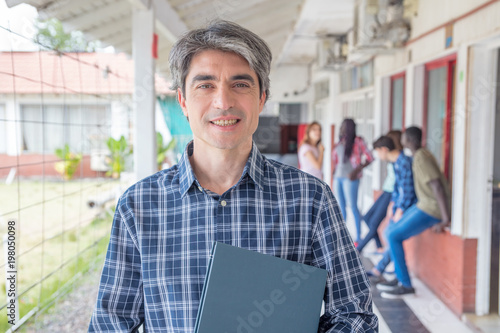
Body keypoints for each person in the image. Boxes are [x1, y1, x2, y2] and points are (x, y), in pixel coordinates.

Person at [88, 20, 378, 332]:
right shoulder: (139, 205)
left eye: (240, 84)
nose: (223, 102)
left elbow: (355, 315)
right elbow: (111, 324)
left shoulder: (310, 199)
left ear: (261, 98)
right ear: (183, 101)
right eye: (205, 85)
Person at [377, 126, 451, 298]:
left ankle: (405, 284)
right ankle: (399, 276)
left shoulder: (421, 158)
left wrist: (445, 218)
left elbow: (437, 186)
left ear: (408, 139)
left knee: (393, 235)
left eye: (403, 137)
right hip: (423, 205)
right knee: (391, 231)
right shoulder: (418, 156)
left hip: (430, 208)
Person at [364, 135, 417, 281]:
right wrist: (392, 206)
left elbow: (408, 191)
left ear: (384, 150)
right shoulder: (395, 163)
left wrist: (400, 210)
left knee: (391, 235)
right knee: (391, 235)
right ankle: (380, 270)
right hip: (398, 206)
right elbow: (397, 189)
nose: (377, 155)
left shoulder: (404, 162)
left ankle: (396, 276)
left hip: (408, 207)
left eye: (377, 152)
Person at [356, 130, 403, 254]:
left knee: (374, 223)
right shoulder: (393, 160)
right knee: (367, 218)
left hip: (391, 193)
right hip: (386, 190)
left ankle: (357, 249)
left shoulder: (399, 160)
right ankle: (379, 246)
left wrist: (394, 202)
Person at [332, 118, 374, 243]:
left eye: (343, 126)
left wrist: (356, 171)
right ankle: (342, 237)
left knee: (353, 207)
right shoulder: (340, 141)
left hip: (350, 178)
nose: (341, 128)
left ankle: (358, 237)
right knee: (340, 207)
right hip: (338, 178)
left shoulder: (358, 141)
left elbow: (369, 157)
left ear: (349, 127)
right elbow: (336, 160)